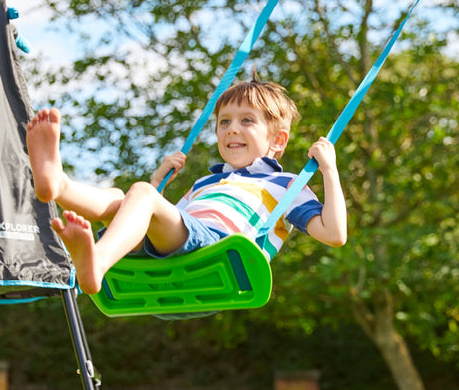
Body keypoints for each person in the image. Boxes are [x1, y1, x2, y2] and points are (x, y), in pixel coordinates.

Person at [26, 73, 347, 295]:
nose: (232, 129)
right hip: (182, 246)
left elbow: (334, 234)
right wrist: (156, 183)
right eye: (224, 122)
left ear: (278, 140)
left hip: (222, 250)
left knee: (140, 194)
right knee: (119, 198)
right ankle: (59, 185)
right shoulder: (208, 182)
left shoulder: (285, 184)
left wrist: (329, 170)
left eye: (246, 120)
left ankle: (96, 260)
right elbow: (161, 221)